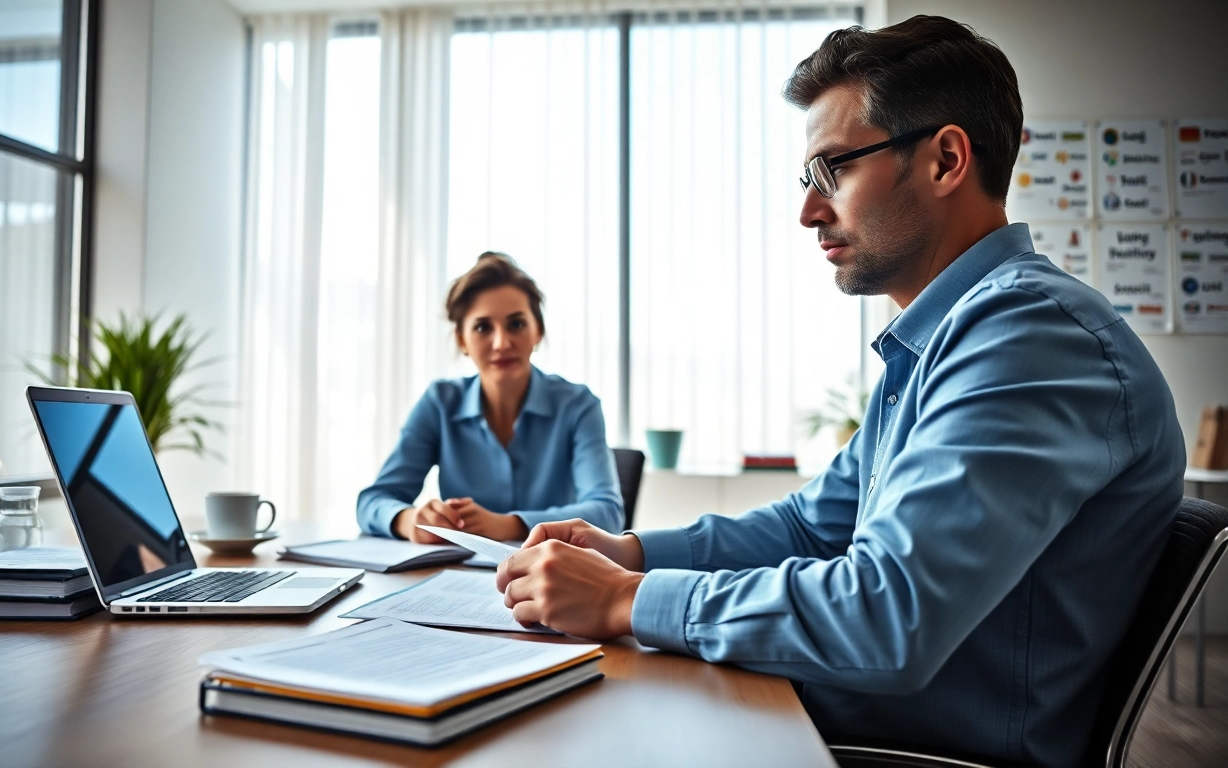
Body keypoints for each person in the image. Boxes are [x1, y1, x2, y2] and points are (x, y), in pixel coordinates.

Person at [494, 16, 1184, 768]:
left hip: (902, 754)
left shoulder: (1029, 339)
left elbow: (887, 616)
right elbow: (810, 527)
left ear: (946, 159)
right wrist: (629, 554)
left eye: (834, 171)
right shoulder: (944, 341)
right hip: (834, 721)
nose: (808, 210)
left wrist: (625, 600)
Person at [357, 252, 624, 544]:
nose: (501, 343)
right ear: (462, 340)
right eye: (483, 327)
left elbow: (607, 513)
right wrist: (409, 520)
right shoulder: (439, 403)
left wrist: (509, 525)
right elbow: (373, 501)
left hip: (555, 578)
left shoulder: (578, 405)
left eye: (516, 324)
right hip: (456, 579)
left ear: (538, 330)